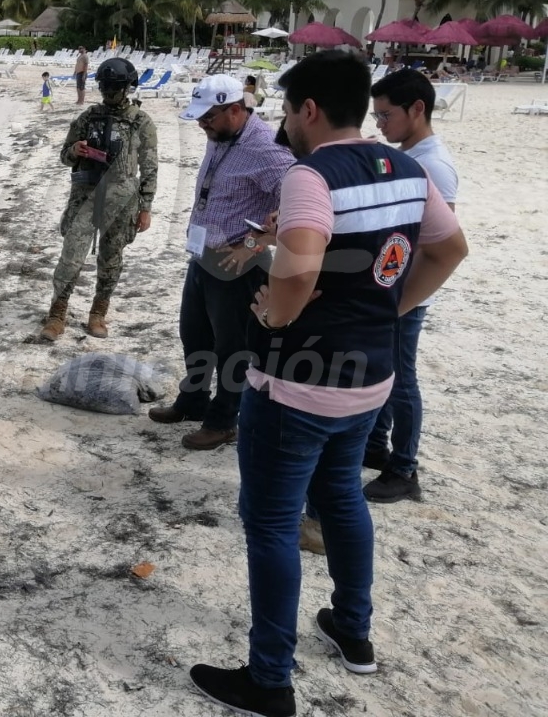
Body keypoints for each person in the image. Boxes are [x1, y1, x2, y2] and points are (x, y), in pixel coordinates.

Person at [189, 50, 467, 716]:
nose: (285, 123)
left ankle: (269, 679)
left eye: (287, 110)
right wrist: (387, 310)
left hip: (298, 382)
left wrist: (274, 315)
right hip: (369, 377)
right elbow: (449, 248)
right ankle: (352, 628)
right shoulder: (405, 168)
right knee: (342, 497)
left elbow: (301, 265)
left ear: (309, 109)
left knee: (271, 523)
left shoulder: (311, 176)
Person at [147, 76, 295, 451]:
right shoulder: (222, 135)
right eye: (199, 117)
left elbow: (298, 210)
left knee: (233, 349)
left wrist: (254, 243)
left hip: (238, 266)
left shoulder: (267, 150)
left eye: (208, 117)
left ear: (235, 109)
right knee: (194, 335)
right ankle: (193, 401)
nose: (202, 124)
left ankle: (224, 420)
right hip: (204, 255)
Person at [361, 69, 459, 503]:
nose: (381, 125)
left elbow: (438, 243)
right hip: (391, 286)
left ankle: (404, 469)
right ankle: (375, 446)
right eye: (377, 116)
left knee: (401, 379)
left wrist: (402, 298)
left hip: (406, 293)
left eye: (386, 116)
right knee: (385, 372)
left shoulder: (432, 164)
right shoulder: (410, 156)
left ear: (417, 109)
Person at [40, 58, 158, 340]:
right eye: (106, 87)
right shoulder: (88, 117)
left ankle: (98, 313)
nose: (110, 92)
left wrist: (145, 207)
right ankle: (57, 314)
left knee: (111, 259)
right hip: (85, 196)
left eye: (115, 87)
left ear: (128, 87)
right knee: (71, 257)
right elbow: (64, 156)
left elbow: (149, 167)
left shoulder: (141, 121)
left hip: (122, 200)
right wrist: (76, 150)